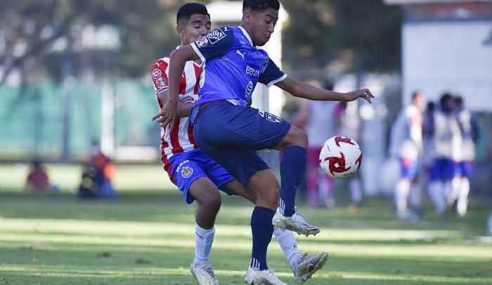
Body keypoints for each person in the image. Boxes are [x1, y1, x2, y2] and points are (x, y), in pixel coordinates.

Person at [155, 0, 373, 283]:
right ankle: (289, 212)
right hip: (205, 130)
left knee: (268, 190)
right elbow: (179, 59)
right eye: (267, 20)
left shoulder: (256, 59)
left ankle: (261, 267)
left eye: (274, 22)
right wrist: (172, 101)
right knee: (296, 137)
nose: (271, 28)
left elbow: (295, 87)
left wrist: (344, 96)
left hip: (211, 140)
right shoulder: (228, 36)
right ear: (248, 16)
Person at [293, 80, 337, 208]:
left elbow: (303, 118)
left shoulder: (312, 103)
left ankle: (314, 199)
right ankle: (327, 197)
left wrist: (294, 125)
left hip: (312, 141)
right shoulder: (335, 104)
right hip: (328, 143)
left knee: (313, 171)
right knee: (329, 171)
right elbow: (338, 121)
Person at [389, 91, 425, 220]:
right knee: (405, 179)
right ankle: (401, 207)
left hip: (406, 151)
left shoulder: (407, 111)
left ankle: (415, 205)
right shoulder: (412, 112)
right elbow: (414, 133)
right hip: (407, 151)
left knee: (413, 180)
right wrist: (420, 148)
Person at [426, 93, 461, 215]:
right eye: (449, 102)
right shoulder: (435, 116)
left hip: (451, 154)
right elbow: (428, 135)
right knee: (435, 181)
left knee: (450, 181)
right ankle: (441, 206)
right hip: (436, 154)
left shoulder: (455, 116)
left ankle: (446, 203)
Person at [449, 95, 479, 216]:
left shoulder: (452, 116)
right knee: (463, 178)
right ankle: (461, 205)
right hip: (467, 151)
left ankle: (456, 201)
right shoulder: (470, 115)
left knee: (457, 177)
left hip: (456, 151)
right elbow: (477, 133)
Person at [333, 100, 363, 211]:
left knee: (350, 175)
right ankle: (354, 199)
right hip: (352, 148)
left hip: (346, 149)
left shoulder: (343, 118)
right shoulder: (353, 118)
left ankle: (354, 200)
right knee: (352, 176)